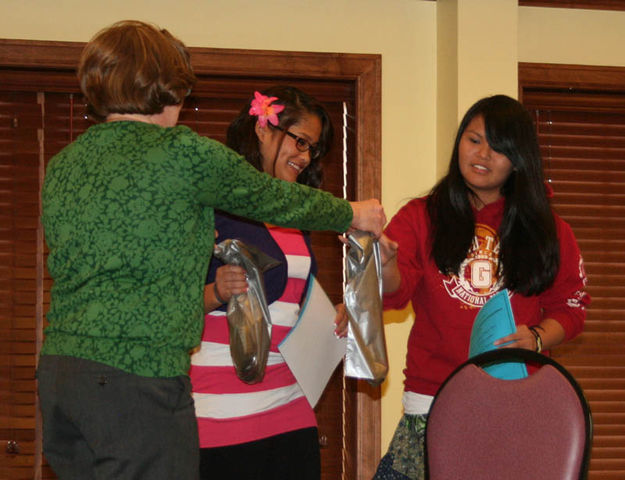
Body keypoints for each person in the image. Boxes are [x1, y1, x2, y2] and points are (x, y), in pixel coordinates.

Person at [37, 21, 386, 480]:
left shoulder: (65, 164)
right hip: (137, 377)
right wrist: (352, 212)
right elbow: (270, 196)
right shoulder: (181, 152)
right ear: (167, 87)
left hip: (62, 379)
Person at [372, 95, 590, 480]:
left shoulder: (550, 230)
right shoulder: (422, 216)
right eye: (473, 140)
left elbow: (571, 308)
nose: (483, 154)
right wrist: (384, 263)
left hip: (517, 403)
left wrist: (537, 339)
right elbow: (394, 293)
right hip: (432, 400)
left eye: (499, 148)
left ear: (518, 159)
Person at [189, 86, 348, 480]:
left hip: (290, 401)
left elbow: (297, 299)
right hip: (220, 405)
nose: (305, 156)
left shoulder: (296, 210)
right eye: (299, 141)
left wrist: (338, 314)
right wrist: (217, 291)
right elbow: (168, 302)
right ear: (263, 129)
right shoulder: (214, 202)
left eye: (312, 148)